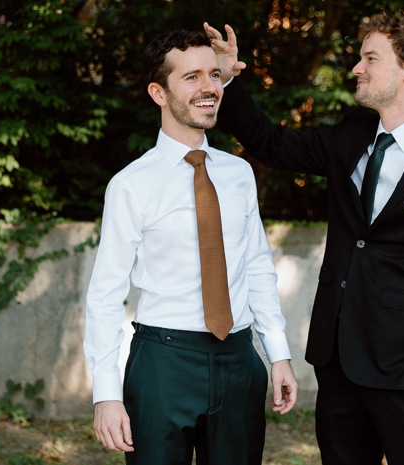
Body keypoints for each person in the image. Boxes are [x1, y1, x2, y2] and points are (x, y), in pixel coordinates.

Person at [205, 11, 404, 465]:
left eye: (370, 58)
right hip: (338, 366)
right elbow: (270, 143)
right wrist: (227, 79)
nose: (356, 68)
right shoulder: (349, 135)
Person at [84, 29, 298, 465]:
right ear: (158, 93)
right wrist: (106, 393)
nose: (209, 87)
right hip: (163, 363)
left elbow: (257, 267)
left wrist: (278, 354)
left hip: (240, 361)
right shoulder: (130, 185)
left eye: (215, 76)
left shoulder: (239, 174)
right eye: (192, 77)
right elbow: (106, 294)